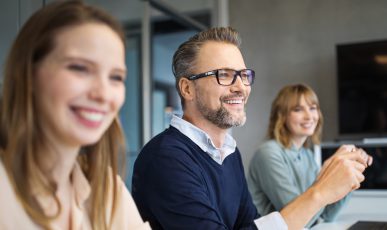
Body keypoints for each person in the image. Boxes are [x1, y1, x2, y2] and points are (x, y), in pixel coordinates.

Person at [132, 27, 372, 230]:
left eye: (243, 75)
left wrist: (332, 183)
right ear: (187, 89)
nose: (241, 87)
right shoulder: (165, 158)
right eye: (224, 75)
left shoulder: (228, 153)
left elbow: (251, 225)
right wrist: (320, 192)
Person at [0, 1, 149, 229]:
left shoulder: (107, 191)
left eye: (116, 77)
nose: (103, 94)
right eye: (79, 68)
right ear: (28, 74)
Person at [247, 84, 350, 228]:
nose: (309, 116)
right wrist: (331, 168)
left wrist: (349, 176)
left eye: (313, 108)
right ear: (282, 116)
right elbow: (300, 218)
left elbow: (327, 214)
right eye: (298, 109)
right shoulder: (268, 153)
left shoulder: (307, 154)